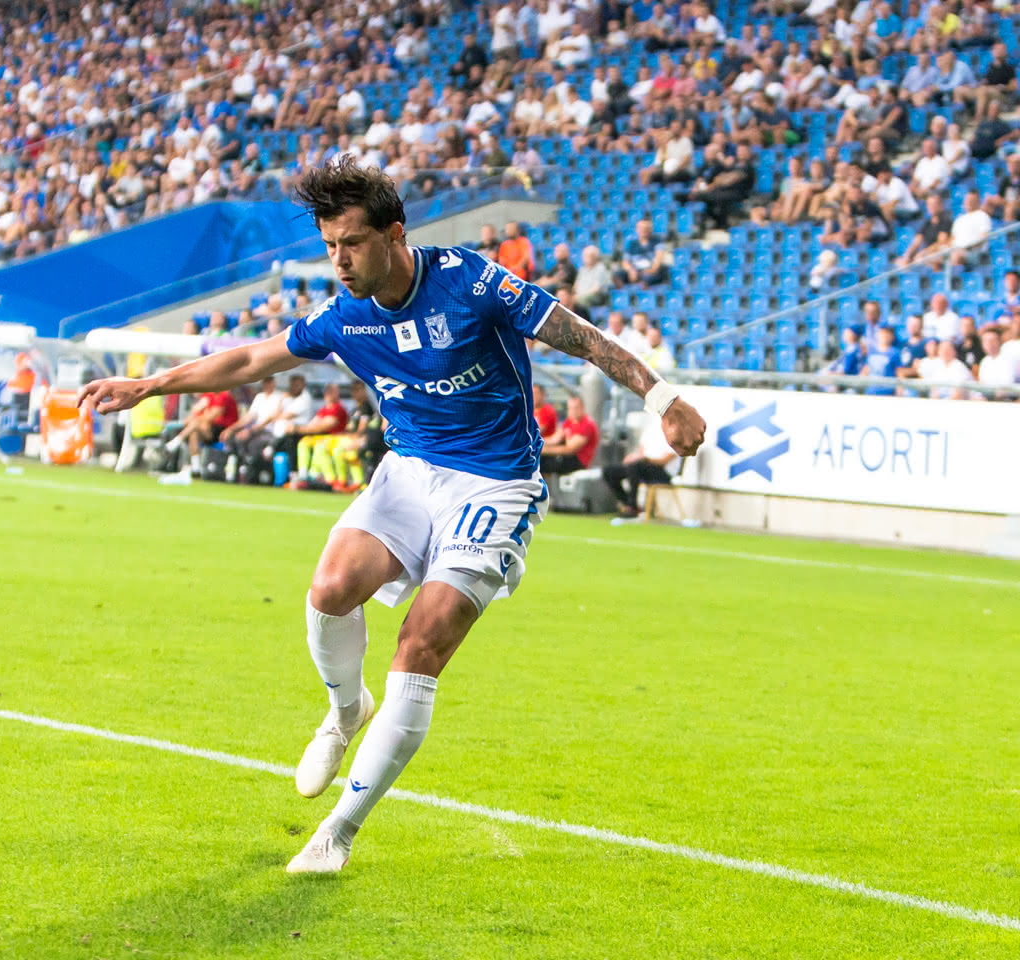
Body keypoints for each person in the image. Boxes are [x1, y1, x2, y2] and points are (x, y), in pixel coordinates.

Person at [77, 159, 705, 874]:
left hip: (494, 486)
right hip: (409, 472)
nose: (339, 261)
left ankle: (337, 832)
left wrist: (663, 401)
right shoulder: (343, 314)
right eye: (329, 247)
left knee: (421, 642)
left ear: (394, 233)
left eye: (351, 242)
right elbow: (254, 358)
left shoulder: (471, 283)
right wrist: (151, 384)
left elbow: (582, 337)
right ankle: (346, 710)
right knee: (328, 589)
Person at [602, 414, 681, 516]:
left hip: (663, 472)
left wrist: (644, 459)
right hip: (642, 466)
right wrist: (634, 457)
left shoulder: (676, 432)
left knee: (635, 467)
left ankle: (632, 506)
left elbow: (664, 460)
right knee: (610, 472)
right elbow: (641, 451)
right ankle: (627, 503)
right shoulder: (652, 428)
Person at [539, 394, 600, 475]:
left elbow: (570, 449)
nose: (573, 411)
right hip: (566, 457)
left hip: (578, 462)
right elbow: (554, 439)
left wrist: (542, 450)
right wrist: (536, 443)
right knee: (536, 459)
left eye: (576, 408)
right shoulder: (570, 421)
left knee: (541, 463)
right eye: (570, 408)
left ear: (582, 408)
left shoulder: (587, 424)